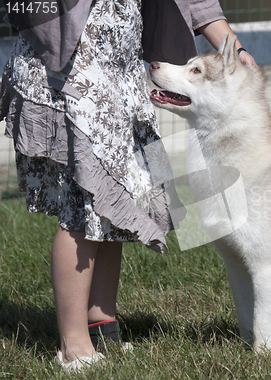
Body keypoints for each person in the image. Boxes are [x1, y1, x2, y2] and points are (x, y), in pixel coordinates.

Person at [0, 0, 256, 372]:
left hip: (118, 72)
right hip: (70, 71)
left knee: (117, 201)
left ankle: (103, 326)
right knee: (84, 205)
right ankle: (74, 346)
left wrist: (235, 48)